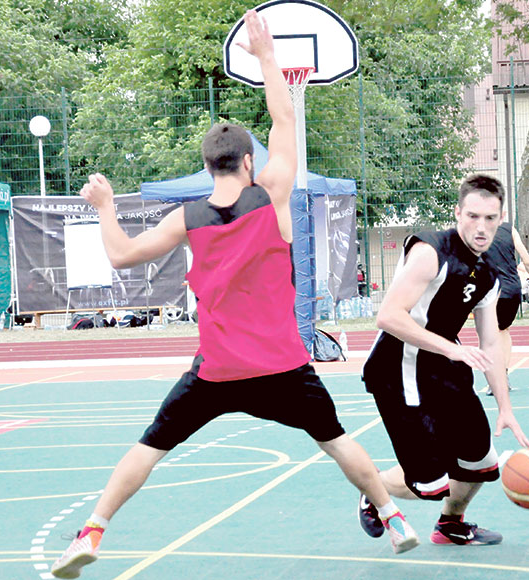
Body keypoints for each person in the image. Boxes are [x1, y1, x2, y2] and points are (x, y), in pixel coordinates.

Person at [51, 12, 418, 578]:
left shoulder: (188, 218)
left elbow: (122, 255)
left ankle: (92, 530)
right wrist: (267, 57)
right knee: (337, 440)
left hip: (218, 370)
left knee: (150, 446)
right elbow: (282, 116)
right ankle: (394, 519)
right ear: (249, 162)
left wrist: (104, 207)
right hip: (283, 366)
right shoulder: (271, 195)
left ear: (206, 165)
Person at [357, 174, 529, 548]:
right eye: (473, 216)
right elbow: (388, 316)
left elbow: (489, 341)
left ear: (501, 218)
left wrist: (505, 407)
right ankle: (373, 490)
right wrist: (452, 348)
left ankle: (451, 525)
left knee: (482, 464)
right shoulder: (431, 252)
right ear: (458, 213)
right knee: (431, 485)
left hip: (443, 367)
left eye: (490, 218)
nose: (481, 227)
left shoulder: (487, 274)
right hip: (397, 367)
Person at [481, 217, 529, 394]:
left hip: (489, 289)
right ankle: (502, 377)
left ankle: (494, 380)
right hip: (511, 288)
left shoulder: (472, 228)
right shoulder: (509, 229)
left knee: (489, 335)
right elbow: (527, 260)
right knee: (502, 330)